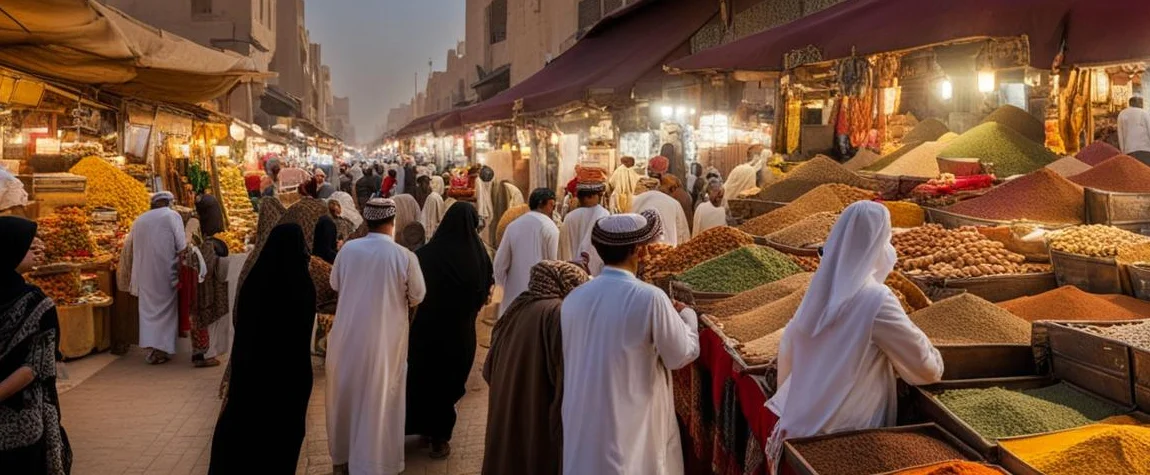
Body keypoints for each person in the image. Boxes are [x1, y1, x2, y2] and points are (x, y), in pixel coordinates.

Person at [765, 201, 943, 470]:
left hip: (799, 429)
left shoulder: (821, 288)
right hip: (849, 438)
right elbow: (926, 368)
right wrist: (935, 355)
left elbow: (790, 343)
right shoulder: (876, 299)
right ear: (878, 244)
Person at [560, 211, 699, 474]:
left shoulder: (574, 298)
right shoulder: (649, 298)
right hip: (629, 425)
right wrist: (688, 317)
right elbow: (679, 354)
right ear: (638, 250)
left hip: (584, 423)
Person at [326, 198, 427, 475]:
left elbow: (335, 283)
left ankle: (343, 460)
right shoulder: (405, 256)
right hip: (385, 343)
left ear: (366, 221)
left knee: (346, 398)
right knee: (380, 400)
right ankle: (376, 464)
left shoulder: (348, 251)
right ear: (392, 223)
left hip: (346, 339)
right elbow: (418, 295)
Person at [209, 224, 316, 474]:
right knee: (282, 442)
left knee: (245, 434)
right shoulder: (302, 284)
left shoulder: (254, 281)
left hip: (252, 374)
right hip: (290, 378)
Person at [482, 261, 589, 475]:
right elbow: (565, 376)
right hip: (536, 413)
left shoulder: (519, 305)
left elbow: (488, 369)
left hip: (507, 410)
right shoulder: (557, 313)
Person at [406, 203, 493, 459]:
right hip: (460, 332)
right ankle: (440, 437)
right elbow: (484, 291)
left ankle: (421, 426)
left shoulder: (426, 254)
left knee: (424, 377)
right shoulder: (479, 256)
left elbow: (414, 292)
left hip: (426, 330)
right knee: (449, 381)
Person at [0, 217, 71, 475]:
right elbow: (35, 367)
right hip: (23, 421)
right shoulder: (38, 304)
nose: (36, 250)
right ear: (12, 250)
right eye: (28, 246)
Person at [130, 192, 188, 364]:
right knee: (166, 311)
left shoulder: (140, 219)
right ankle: (161, 350)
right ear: (165, 202)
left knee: (148, 311)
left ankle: (152, 347)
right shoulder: (171, 216)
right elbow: (181, 245)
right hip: (165, 271)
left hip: (144, 273)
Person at [493, 188, 560, 317]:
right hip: (539, 298)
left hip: (512, 298)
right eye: (552, 205)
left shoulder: (513, 226)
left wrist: (501, 287)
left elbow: (499, 264)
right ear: (547, 203)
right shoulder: (550, 228)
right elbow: (553, 263)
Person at [631, 178, 690, 246]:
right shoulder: (674, 203)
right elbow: (683, 235)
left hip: (639, 253)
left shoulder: (634, 201)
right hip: (669, 251)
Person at [558, 182, 608, 263]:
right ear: (590, 196)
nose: (600, 198)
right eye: (598, 195)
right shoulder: (604, 215)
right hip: (596, 272)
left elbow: (563, 249)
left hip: (571, 270)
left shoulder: (569, 217)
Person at [1118, 96, 1150, 161]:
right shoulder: (1144, 113)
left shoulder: (1122, 113)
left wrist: (1123, 150)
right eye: (1141, 102)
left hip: (1129, 150)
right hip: (1144, 150)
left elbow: (1120, 134)